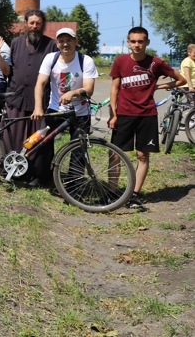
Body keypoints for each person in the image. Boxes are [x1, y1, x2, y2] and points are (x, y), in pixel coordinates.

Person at [108, 27, 185, 209]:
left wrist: (159, 87)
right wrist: (113, 113)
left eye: (140, 41)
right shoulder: (120, 61)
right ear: (128, 42)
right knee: (115, 154)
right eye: (133, 41)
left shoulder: (156, 63)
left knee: (143, 155)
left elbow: (180, 80)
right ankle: (111, 193)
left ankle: (134, 195)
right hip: (125, 114)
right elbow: (114, 89)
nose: (137, 45)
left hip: (147, 115)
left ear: (147, 43)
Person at [31, 28, 98, 188]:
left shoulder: (85, 60)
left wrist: (73, 93)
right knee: (43, 143)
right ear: (57, 43)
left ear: (76, 42)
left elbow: (88, 89)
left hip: (80, 111)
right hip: (55, 108)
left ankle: (74, 183)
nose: (65, 44)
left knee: (78, 147)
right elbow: (40, 83)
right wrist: (38, 107)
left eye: (69, 40)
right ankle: (41, 177)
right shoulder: (51, 58)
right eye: (61, 41)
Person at [5, 9, 57, 160]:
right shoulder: (16, 42)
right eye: (32, 23)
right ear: (26, 24)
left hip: (39, 100)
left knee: (39, 137)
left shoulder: (51, 45)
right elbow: (9, 69)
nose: (35, 26)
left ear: (43, 25)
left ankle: (35, 173)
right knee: (13, 135)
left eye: (38, 23)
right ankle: (12, 168)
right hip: (17, 96)